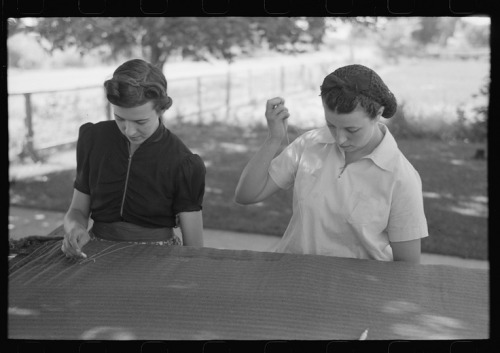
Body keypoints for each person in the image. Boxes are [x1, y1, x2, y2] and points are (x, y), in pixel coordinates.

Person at [234, 64, 428, 263]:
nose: (340, 139)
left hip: (355, 286)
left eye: (352, 130)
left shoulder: (400, 177)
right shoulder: (309, 144)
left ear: (378, 114)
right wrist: (274, 139)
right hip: (293, 273)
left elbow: (407, 267)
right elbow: (247, 195)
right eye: (331, 125)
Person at [61, 59, 206, 259]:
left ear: (162, 109)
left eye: (140, 121)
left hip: (157, 258)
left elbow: (194, 248)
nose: (129, 131)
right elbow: (77, 210)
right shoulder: (94, 139)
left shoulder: (184, 163)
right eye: (119, 118)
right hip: (96, 251)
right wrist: (75, 228)